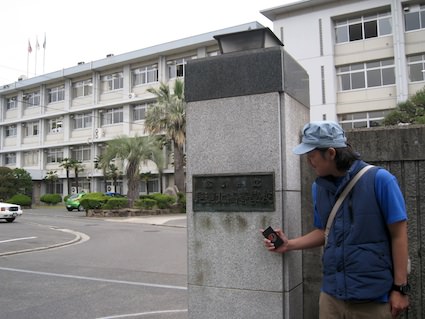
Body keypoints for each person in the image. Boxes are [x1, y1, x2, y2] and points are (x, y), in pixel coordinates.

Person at [262, 121, 410, 319]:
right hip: (331, 296)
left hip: (373, 299)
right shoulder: (319, 188)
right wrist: (288, 244)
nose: (308, 162)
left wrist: (399, 289)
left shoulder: (380, 180)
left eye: (311, 155)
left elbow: (399, 235)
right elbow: (324, 231)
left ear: (331, 153)